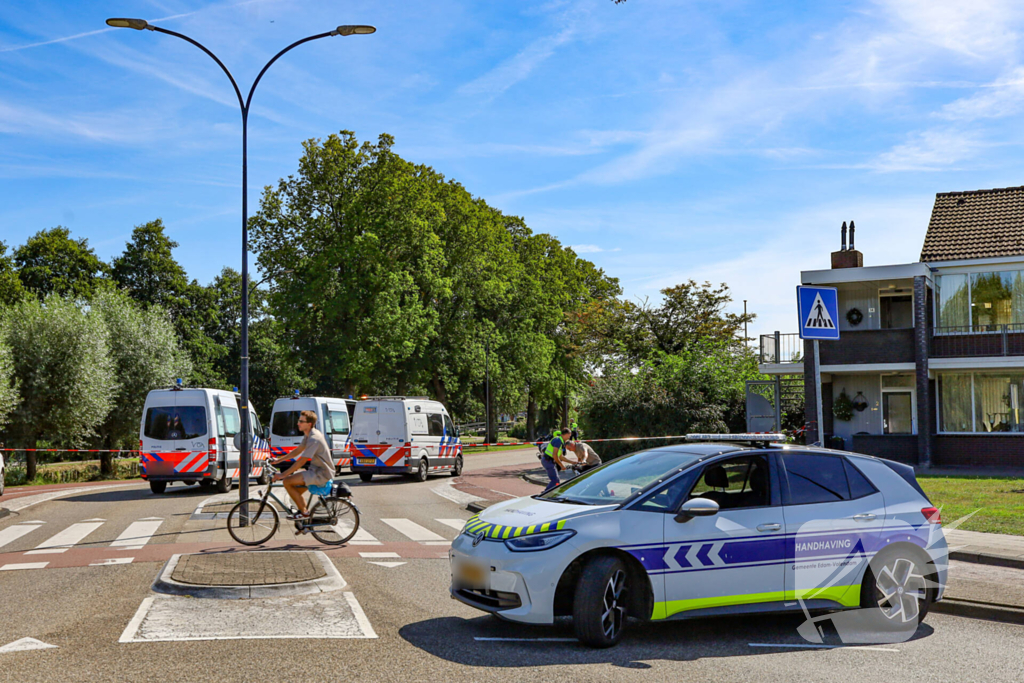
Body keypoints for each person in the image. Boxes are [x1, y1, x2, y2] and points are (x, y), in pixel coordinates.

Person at [271, 410, 333, 520]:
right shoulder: (309, 434)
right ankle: (304, 517)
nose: (298, 423)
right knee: (295, 491)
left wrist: (283, 475)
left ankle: (304, 513)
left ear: (309, 424)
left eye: (301, 421)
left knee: (287, 481)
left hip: (321, 473)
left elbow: (301, 461)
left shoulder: (314, 438)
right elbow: (298, 450)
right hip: (315, 470)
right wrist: (279, 460)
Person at [541, 428, 571, 493]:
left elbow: (561, 457)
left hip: (549, 461)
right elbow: (555, 455)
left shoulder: (561, 442)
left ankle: (549, 493)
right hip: (548, 461)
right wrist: (561, 466)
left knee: (556, 480)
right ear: (566, 434)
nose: (569, 437)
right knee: (555, 480)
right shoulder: (558, 441)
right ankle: (545, 493)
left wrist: (573, 462)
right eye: (569, 435)